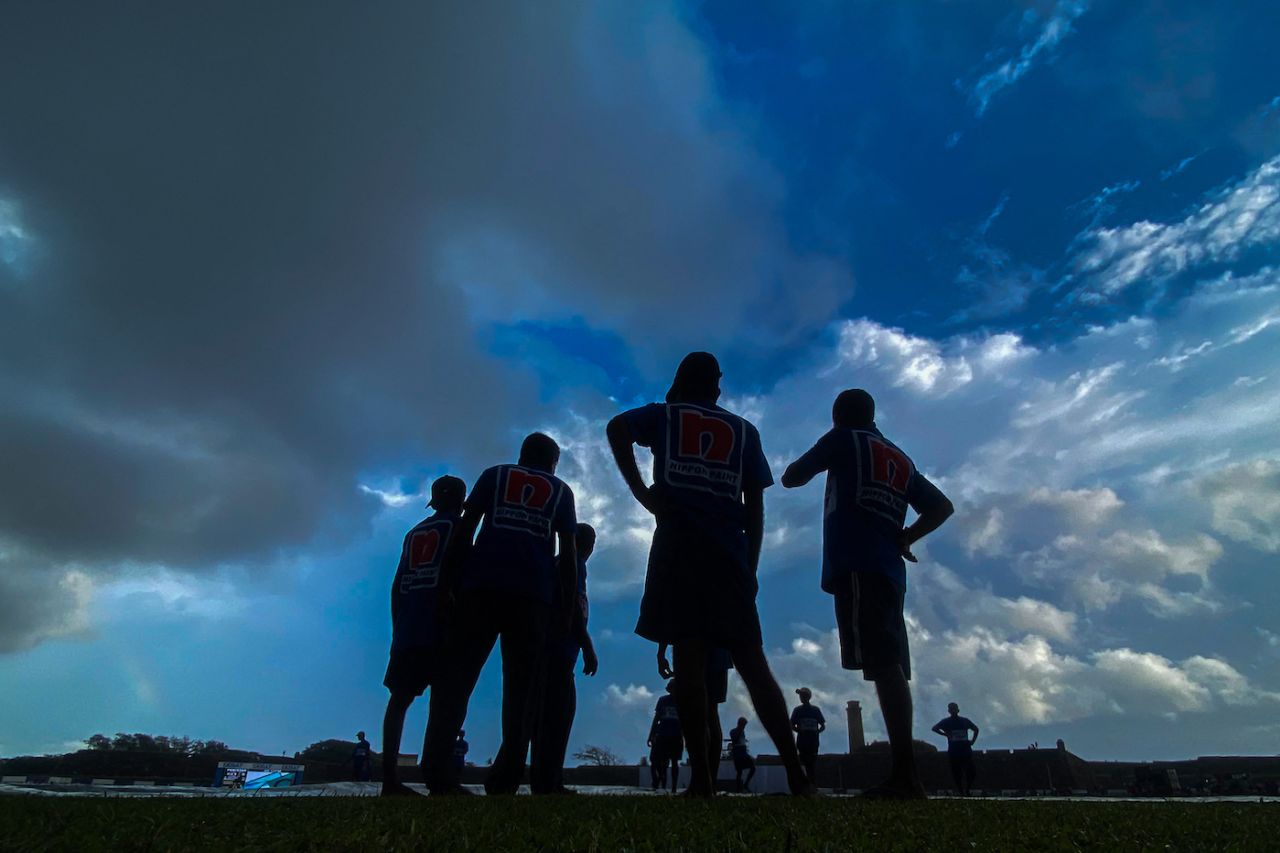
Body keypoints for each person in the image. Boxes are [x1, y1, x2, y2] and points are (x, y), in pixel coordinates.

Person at [607, 352, 813, 797]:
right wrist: (751, 565)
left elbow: (617, 428)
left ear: (679, 381)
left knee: (690, 662)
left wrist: (643, 492)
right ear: (716, 385)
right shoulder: (743, 430)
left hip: (679, 547)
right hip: (729, 554)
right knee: (753, 663)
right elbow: (756, 507)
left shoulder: (665, 415)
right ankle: (797, 775)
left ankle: (701, 778)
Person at [782, 388, 954, 799]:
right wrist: (906, 536)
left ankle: (906, 777)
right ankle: (905, 774)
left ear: (839, 416)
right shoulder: (898, 457)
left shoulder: (844, 439)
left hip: (859, 560)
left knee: (883, 662)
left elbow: (792, 476)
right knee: (887, 662)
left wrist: (828, 447)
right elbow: (941, 506)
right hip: (890, 571)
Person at [420, 433, 578, 795]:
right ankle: (505, 779)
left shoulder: (495, 475)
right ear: (552, 461)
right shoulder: (561, 491)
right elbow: (567, 555)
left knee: (456, 682)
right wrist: (565, 608)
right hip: (532, 596)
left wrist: (448, 585)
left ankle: (438, 774)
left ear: (523, 455)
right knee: (522, 693)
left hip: (480, 589)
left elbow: (465, 529)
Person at [379, 476, 466, 796]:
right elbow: (459, 575)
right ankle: (439, 777)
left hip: (408, 627)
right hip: (442, 627)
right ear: (461, 500)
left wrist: (397, 627)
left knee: (399, 701)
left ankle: (390, 779)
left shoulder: (413, 533)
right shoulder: (458, 529)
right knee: (444, 703)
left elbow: (397, 584)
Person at [531, 522, 600, 794]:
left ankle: (547, 778)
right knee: (556, 718)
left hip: (556, 651)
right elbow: (571, 606)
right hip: (559, 650)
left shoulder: (561, 564)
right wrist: (587, 646)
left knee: (550, 716)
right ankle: (548, 781)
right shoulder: (572, 566)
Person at [658, 642, 732, 788]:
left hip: (692, 650)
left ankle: (701, 780)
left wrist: (661, 653)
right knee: (710, 712)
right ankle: (708, 781)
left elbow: (670, 619)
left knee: (695, 714)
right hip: (718, 649)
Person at [932, 703, 979, 795]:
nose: (953, 710)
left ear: (958, 710)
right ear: (949, 711)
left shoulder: (965, 721)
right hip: (954, 751)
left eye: (954, 709)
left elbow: (976, 729)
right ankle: (961, 791)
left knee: (971, 772)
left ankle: (967, 790)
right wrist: (945, 734)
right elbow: (934, 728)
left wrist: (973, 741)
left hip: (965, 750)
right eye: (951, 709)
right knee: (957, 773)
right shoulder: (946, 722)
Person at [647, 681, 684, 793]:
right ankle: (660, 781)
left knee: (674, 762)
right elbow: (656, 718)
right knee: (661, 761)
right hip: (663, 734)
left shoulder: (683, 702)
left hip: (676, 736)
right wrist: (651, 735)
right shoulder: (663, 700)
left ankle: (673, 787)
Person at [790, 687, 826, 786]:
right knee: (804, 762)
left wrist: (817, 732)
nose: (801, 698)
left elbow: (823, 725)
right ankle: (806, 783)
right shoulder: (797, 710)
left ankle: (811, 784)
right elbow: (791, 724)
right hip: (803, 741)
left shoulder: (815, 710)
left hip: (812, 741)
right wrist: (799, 731)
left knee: (811, 763)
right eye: (801, 696)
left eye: (803, 696)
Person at [728, 717, 755, 792]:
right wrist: (740, 731)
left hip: (743, 752)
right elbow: (735, 740)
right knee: (739, 772)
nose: (744, 727)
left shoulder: (742, 732)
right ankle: (738, 789)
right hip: (738, 753)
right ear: (739, 724)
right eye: (743, 725)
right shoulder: (733, 731)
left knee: (752, 768)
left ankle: (746, 784)